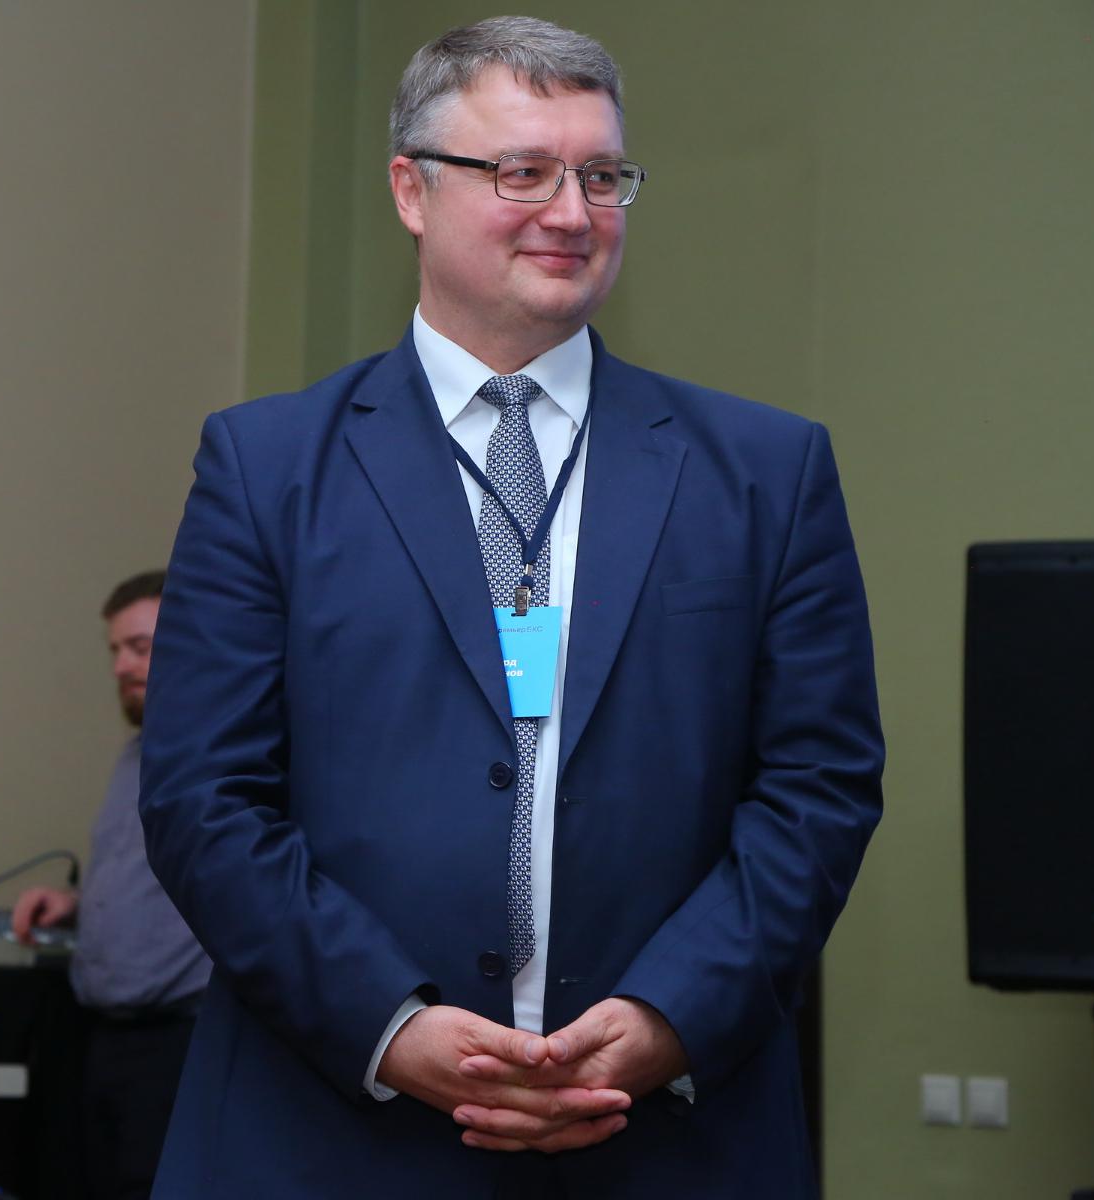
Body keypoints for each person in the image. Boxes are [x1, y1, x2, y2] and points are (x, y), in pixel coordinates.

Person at [138, 16, 882, 1198]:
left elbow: (819, 788)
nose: (573, 213)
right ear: (411, 190)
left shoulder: (764, 473)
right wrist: (391, 1026)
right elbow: (202, 801)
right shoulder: (266, 468)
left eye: (603, 176)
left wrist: (670, 1015)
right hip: (329, 1137)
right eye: (524, 172)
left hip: (665, 1144)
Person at [9, 570, 209, 1200]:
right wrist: (74, 906)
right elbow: (143, 877)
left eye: (140, 647)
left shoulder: (226, 754)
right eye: (116, 650)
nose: (122, 666)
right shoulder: (135, 755)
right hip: (103, 1037)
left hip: (181, 1040)